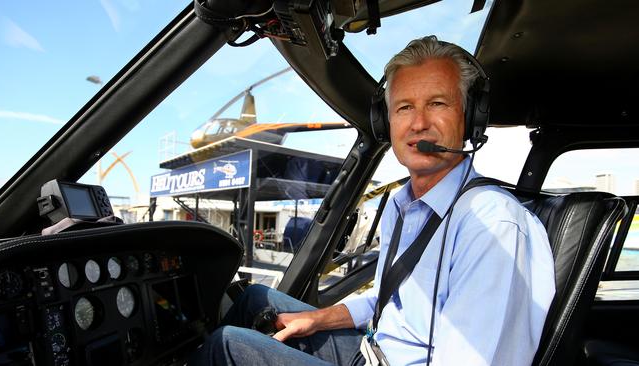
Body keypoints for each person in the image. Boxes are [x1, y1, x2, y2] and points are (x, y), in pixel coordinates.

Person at [190, 36, 555, 366]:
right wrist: (316, 319)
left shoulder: (492, 226)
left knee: (228, 346)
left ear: (470, 117)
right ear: (386, 122)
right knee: (257, 299)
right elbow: (386, 302)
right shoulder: (401, 206)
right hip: (373, 351)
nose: (419, 123)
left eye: (438, 103)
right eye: (404, 108)